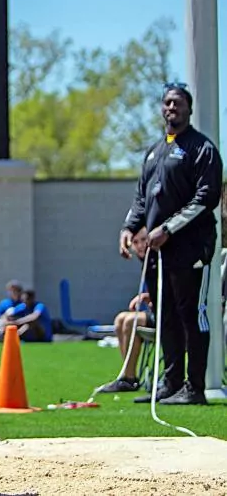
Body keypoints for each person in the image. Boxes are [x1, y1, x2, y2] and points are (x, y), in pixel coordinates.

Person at [120, 82, 223, 405]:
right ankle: (171, 382)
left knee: (191, 314)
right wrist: (129, 228)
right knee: (165, 316)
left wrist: (169, 228)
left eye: (177, 103)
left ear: (189, 109)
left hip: (191, 248)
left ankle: (195, 388)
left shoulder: (202, 148)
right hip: (158, 253)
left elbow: (206, 198)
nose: (171, 108)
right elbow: (142, 198)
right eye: (167, 103)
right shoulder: (155, 151)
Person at [99, 228, 154, 393]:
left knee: (130, 321)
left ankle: (129, 379)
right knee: (120, 319)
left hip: (168, 316)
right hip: (155, 311)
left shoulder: (158, 260)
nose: (140, 245)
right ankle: (126, 374)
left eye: (143, 240)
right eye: (135, 242)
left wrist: (149, 298)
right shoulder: (145, 263)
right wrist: (147, 297)